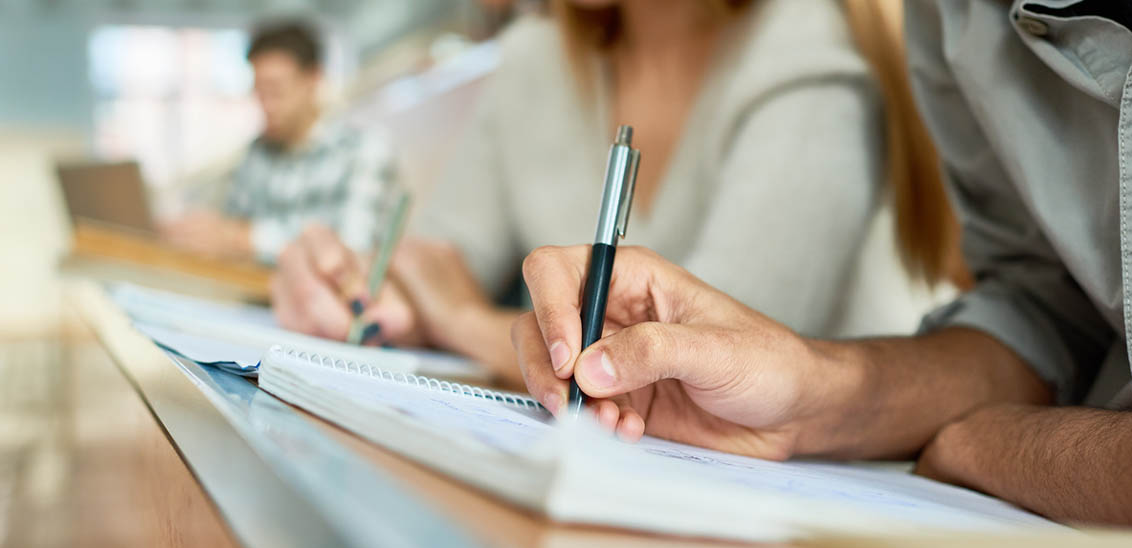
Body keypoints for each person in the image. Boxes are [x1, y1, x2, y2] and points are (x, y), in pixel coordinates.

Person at [512, 0, 1132, 536]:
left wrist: (1004, 446)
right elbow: (1050, 308)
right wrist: (817, 391)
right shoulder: (957, 15)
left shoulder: (805, 42)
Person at [270, 0, 959, 386]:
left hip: (814, 519)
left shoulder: (814, 45)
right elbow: (439, 260)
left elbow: (706, 365)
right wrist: (365, 289)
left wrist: (459, 320)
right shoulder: (534, 56)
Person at [160, 21, 398, 264]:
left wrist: (246, 239)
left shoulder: (364, 150)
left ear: (314, 78)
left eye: (276, 90)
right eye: (259, 92)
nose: (267, 105)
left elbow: (353, 249)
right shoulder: (257, 153)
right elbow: (230, 226)